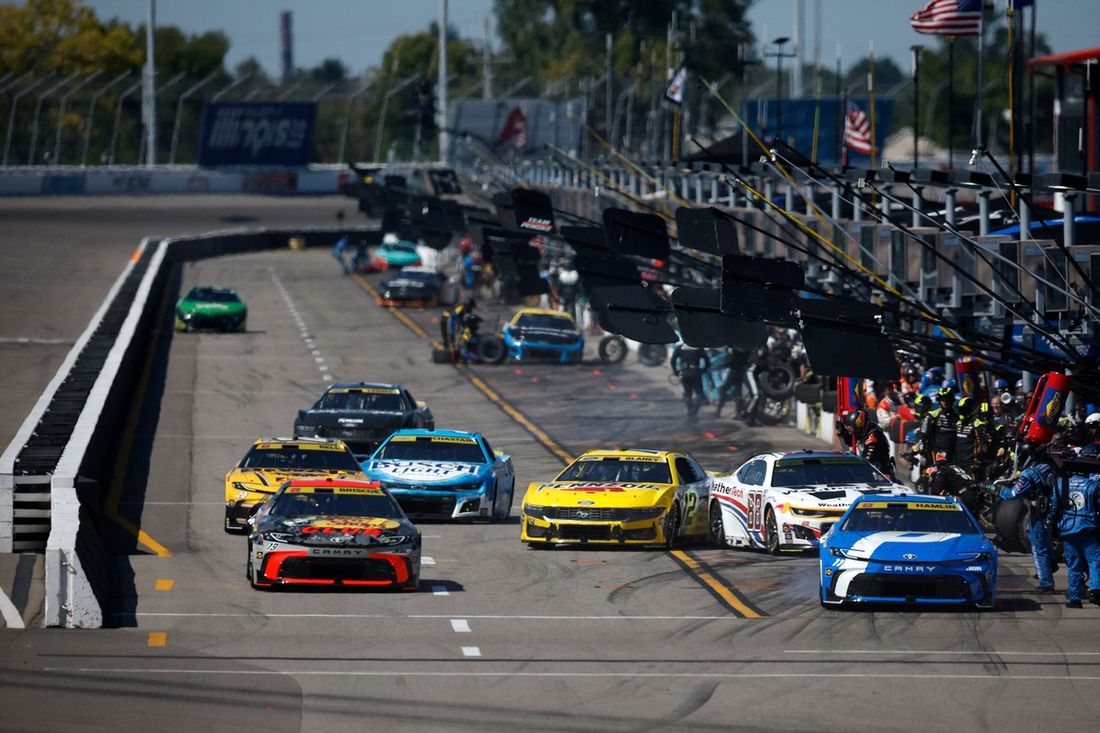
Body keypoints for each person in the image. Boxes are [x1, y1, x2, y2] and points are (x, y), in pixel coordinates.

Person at [998, 447, 1058, 594]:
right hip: (1059, 510)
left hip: (1041, 512)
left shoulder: (1030, 473)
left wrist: (996, 489)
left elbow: (1013, 494)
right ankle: (1050, 563)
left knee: (1038, 547)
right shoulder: (1049, 465)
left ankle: (1046, 584)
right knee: (1032, 535)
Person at [1048, 452, 1100, 608]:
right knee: (1095, 560)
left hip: (1068, 530)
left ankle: (1075, 599)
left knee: (1073, 565)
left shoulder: (1060, 484)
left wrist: (1051, 525)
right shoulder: (1092, 485)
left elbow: (1054, 507)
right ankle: (1096, 591)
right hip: (1088, 528)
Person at [845, 409, 895, 479]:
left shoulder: (873, 436)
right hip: (870, 467)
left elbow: (867, 460)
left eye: (852, 429)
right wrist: (843, 434)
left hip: (879, 471)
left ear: (860, 425)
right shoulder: (866, 428)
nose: (851, 433)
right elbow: (850, 442)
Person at [928, 451, 980, 516]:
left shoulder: (944, 470)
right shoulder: (956, 467)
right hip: (976, 492)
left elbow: (935, 489)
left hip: (965, 495)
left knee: (956, 518)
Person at [670, 342, 710, 422]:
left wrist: (676, 372)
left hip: (684, 372)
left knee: (688, 395)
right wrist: (704, 370)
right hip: (696, 372)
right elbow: (707, 360)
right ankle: (693, 412)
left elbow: (672, 361)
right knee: (700, 395)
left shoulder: (680, 347)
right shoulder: (698, 347)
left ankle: (690, 415)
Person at [921, 385, 958, 467]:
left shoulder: (958, 416)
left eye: (947, 400)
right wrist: (924, 453)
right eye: (943, 400)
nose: (945, 402)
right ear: (939, 401)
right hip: (937, 451)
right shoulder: (932, 416)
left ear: (952, 401)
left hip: (954, 452)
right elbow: (924, 436)